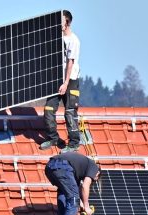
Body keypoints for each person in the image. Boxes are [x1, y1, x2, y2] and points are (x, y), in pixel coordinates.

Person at [40, 10, 82, 153]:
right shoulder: (56, 38)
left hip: (70, 79)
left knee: (70, 111)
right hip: (55, 78)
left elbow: (70, 62)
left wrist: (65, 83)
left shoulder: (74, 41)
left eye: (61, 20)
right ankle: (53, 138)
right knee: (49, 109)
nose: (58, 23)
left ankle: (74, 142)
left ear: (68, 22)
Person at [45, 151, 99, 215]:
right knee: (73, 199)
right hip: (63, 167)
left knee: (63, 192)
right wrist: (87, 207)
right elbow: (85, 186)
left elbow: (75, 193)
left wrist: (82, 206)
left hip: (50, 167)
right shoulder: (95, 168)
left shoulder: (77, 172)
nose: (92, 180)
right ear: (97, 174)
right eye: (94, 179)